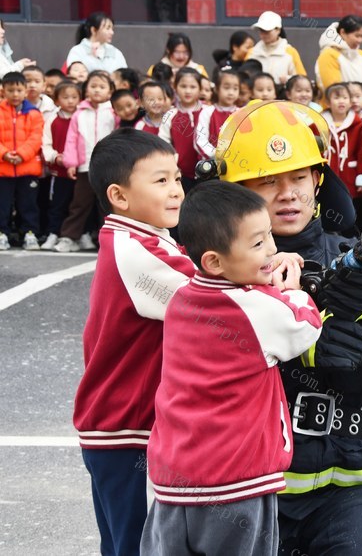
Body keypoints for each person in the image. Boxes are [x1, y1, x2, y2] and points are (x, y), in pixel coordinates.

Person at [209, 99, 362, 555]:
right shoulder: (210, 271)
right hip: (243, 487)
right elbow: (189, 368)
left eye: (299, 177)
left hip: (355, 487)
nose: (288, 193)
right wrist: (301, 346)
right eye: (267, 180)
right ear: (235, 191)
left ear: (318, 180)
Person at [141, 181, 321, 556]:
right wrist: (293, 290)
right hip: (236, 484)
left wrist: (262, 275)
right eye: (257, 244)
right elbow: (304, 326)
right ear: (214, 262)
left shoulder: (183, 299)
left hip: (173, 484)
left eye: (269, 236)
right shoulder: (254, 310)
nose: (271, 250)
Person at [72, 129, 195, 556]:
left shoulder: (140, 237)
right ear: (119, 196)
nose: (176, 190)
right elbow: (211, 296)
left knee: (122, 542)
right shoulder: (136, 250)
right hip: (124, 427)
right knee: (135, 545)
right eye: (160, 181)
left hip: (115, 421)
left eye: (177, 178)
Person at [55, 71, 117, 253]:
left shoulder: (113, 112)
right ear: (86, 89)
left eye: (102, 87)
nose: (97, 90)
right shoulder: (79, 113)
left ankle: (108, 241)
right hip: (85, 166)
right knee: (80, 204)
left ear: (110, 91)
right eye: (93, 86)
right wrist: (71, 163)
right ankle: (69, 237)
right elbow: (71, 139)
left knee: (107, 206)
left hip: (109, 168)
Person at [0, 71, 43, 250]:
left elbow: (36, 138)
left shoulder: (34, 113)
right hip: (3, 168)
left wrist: (22, 155)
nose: (15, 94)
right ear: (3, 91)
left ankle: (30, 233)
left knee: (28, 204)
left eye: (19, 90)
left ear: (25, 91)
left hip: (28, 167)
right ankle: (2, 233)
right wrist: (4, 154)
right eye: (10, 90)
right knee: (2, 204)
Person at [325, 83, 362, 230]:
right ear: (327, 102)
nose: (341, 101)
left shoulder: (357, 124)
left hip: (350, 175)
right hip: (328, 175)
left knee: (351, 210)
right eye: (336, 98)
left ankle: (351, 237)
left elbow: (361, 153)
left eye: (345, 98)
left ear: (350, 102)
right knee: (329, 207)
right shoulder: (318, 124)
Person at [40, 81, 80, 250]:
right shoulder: (52, 120)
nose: (70, 101)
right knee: (58, 204)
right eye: (65, 97)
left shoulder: (82, 117)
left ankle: (80, 234)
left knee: (79, 204)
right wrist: (55, 157)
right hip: (60, 171)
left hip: (81, 170)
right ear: (56, 100)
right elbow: (46, 144)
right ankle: (53, 233)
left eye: (74, 97)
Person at [160, 67, 204, 190]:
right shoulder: (170, 115)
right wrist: (173, 162)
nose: (188, 91)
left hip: (206, 172)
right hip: (180, 174)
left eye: (193, 87)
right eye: (183, 86)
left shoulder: (207, 112)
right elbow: (163, 142)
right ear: (175, 87)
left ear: (200, 89)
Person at [316, 15, 362, 90]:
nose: (360, 40)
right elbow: (335, 91)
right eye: (357, 36)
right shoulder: (328, 55)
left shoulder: (361, 55)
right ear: (343, 32)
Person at [248, 11, 307, 86]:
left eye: (267, 31)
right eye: (261, 31)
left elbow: (302, 79)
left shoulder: (290, 52)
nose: (263, 34)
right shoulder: (252, 52)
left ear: (278, 30)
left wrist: (289, 79)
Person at [195, 70, 241, 159]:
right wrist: (216, 155)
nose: (231, 93)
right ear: (216, 89)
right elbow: (200, 139)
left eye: (235, 89)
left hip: (236, 160)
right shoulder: (207, 112)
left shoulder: (241, 113)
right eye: (226, 88)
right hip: (211, 162)